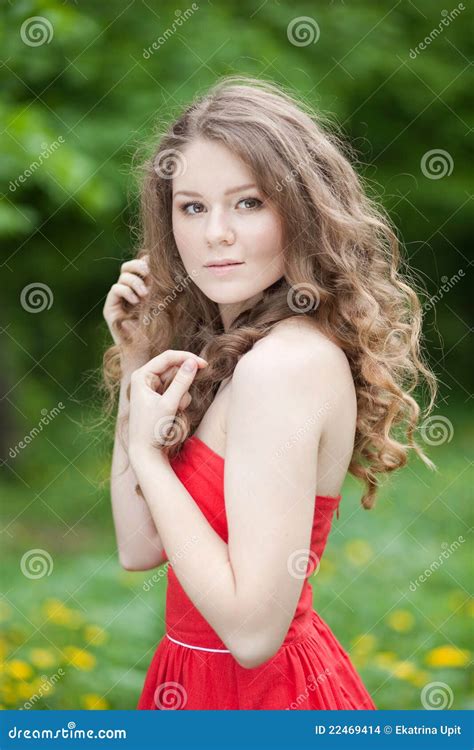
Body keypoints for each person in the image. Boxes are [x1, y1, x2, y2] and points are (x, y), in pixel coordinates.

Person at [102, 76, 437, 710]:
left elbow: (254, 634)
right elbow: (139, 546)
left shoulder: (284, 365)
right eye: (192, 206)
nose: (215, 234)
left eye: (248, 203)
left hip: (260, 696)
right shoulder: (229, 355)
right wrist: (137, 362)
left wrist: (150, 456)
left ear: (301, 210)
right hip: (192, 679)